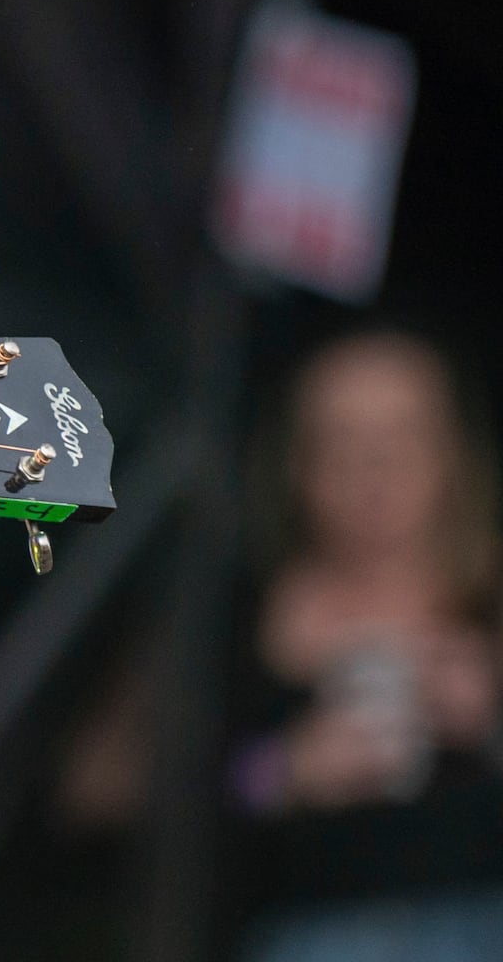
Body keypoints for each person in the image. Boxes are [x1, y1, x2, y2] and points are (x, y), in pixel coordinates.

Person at [62, 328, 503, 962]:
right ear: (296, 462)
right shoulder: (220, 612)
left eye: (403, 439)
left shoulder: (488, 603)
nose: (373, 476)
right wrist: (277, 775)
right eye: (342, 444)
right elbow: (96, 791)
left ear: (454, 454)